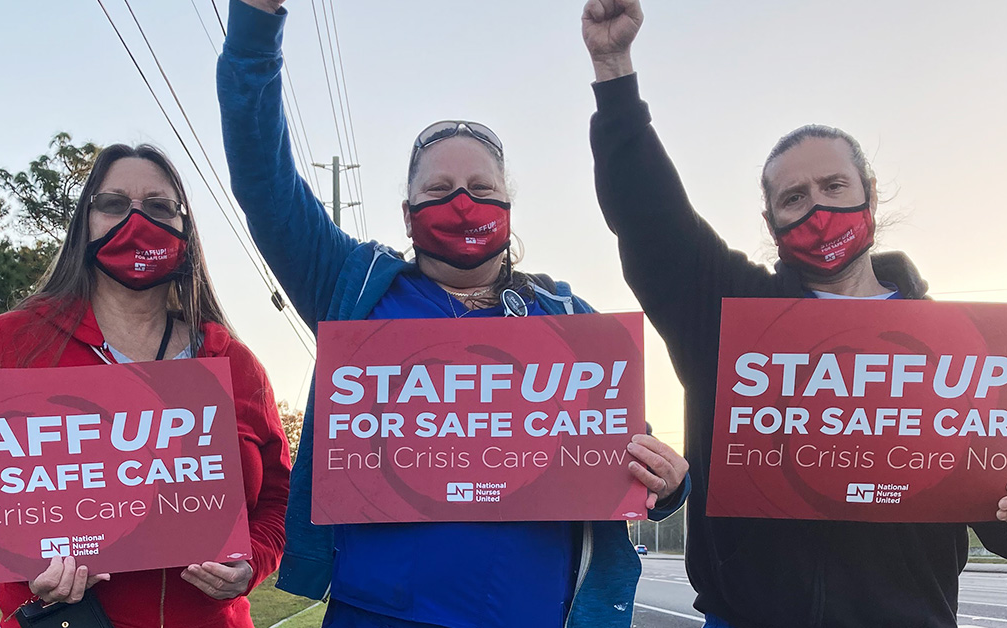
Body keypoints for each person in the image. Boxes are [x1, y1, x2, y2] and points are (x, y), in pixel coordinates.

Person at [216, 1, 691, 626]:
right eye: (439, 191)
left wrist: (666, 482)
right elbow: (262, 179)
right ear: (407, 209)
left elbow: (626, 458)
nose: (463, 204)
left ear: (510, 204)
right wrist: (255, 23)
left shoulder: (568, 315)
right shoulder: (351, 285)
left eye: (483, 189)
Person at [581, 0, 1007, 626]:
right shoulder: (727, 316)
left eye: (834, 187)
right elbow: (650, 219)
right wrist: (614, 71)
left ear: (869, 195)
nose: (817, 212)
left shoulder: (963, 351)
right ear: (771, 221)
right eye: (793, 198)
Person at [0, 143, 291, 628]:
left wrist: (253, 563)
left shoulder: (233, 362)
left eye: (159, 207)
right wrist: (22, 562)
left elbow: (280, 498)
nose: (136, 222)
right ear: (86, 221)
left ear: (185, 230)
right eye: (114, 203)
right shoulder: (17, 342)